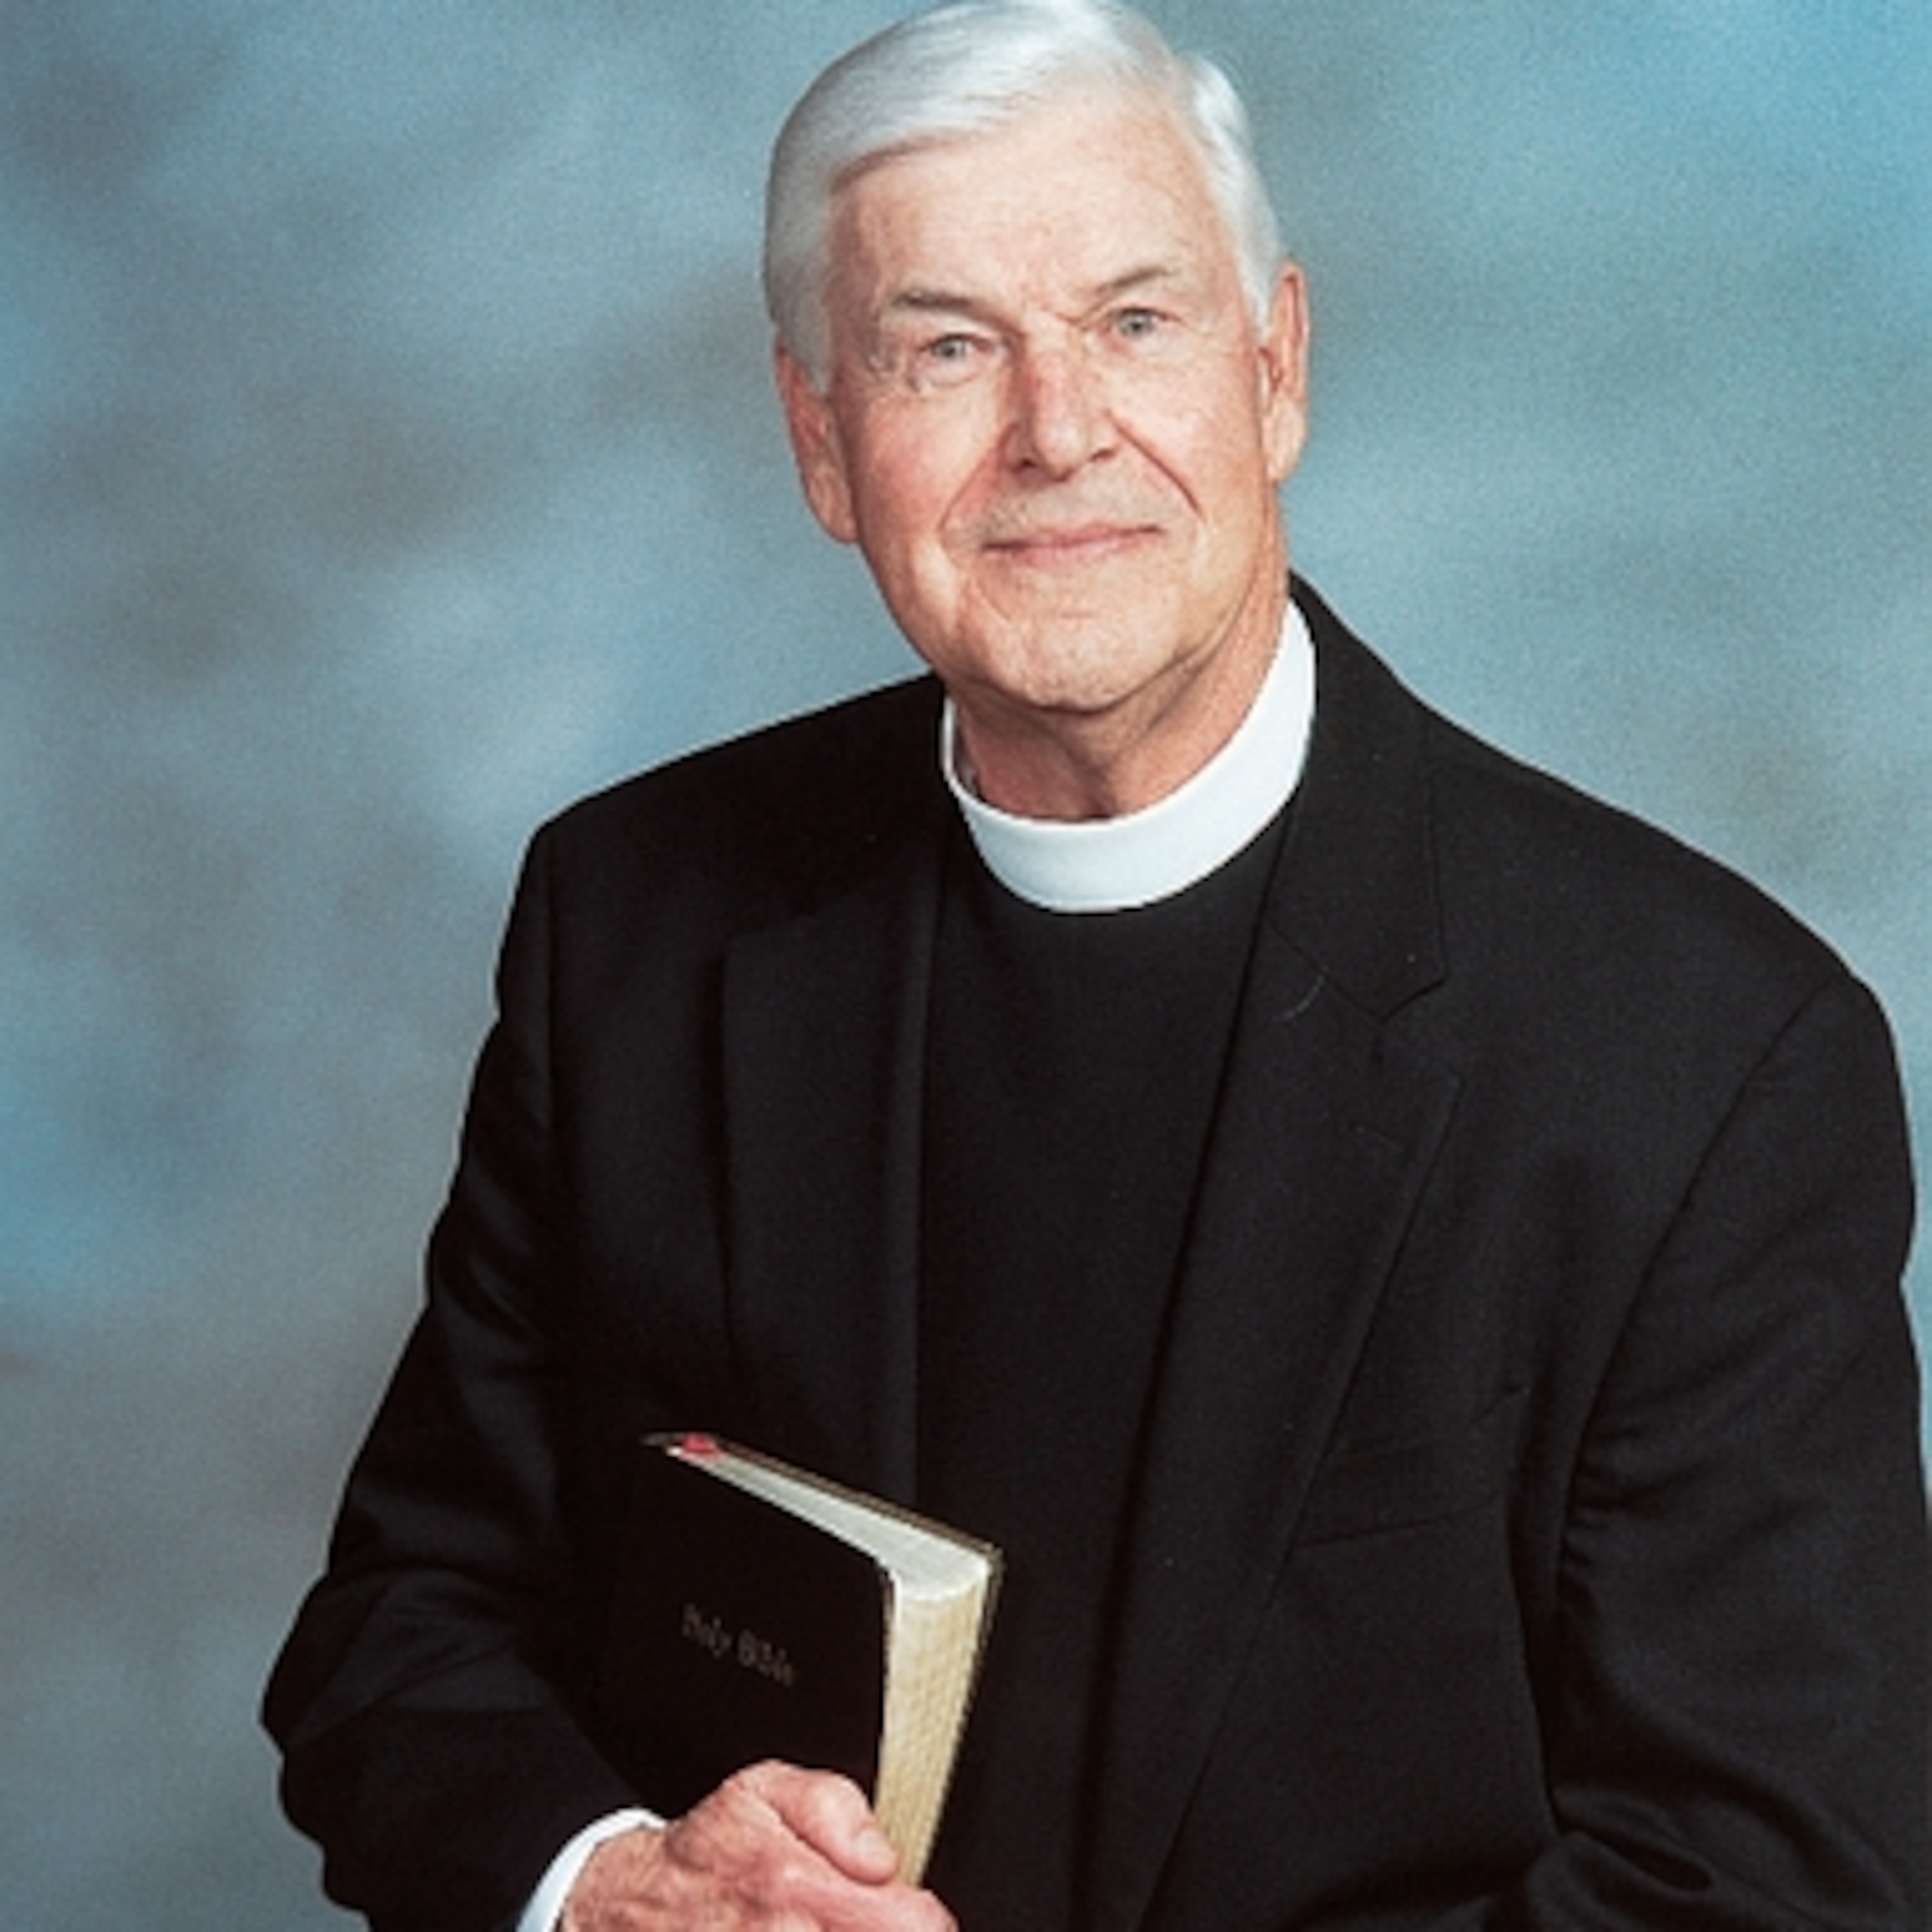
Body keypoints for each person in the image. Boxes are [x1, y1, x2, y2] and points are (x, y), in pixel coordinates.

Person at [263, 3, 1929, 1927]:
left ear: (1275, 370)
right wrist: (613, 1885)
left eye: (1135, 322)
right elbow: (406, 1628)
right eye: (946, 348)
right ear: (821, 440)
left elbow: (1765, 1885)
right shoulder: (634, 923)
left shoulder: (1703, 1061)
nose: (1057, 431)